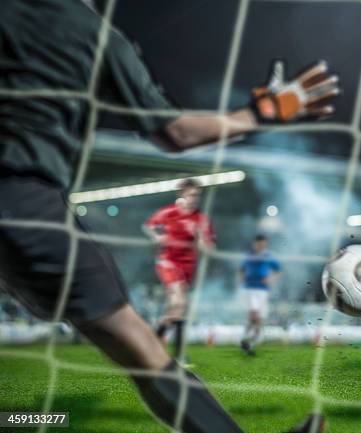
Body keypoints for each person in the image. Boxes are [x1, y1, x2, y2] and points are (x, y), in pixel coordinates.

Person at [0, 1, 338, 432]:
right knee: (139, 347)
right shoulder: (93, 33)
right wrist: (259, 113)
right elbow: (176, 133)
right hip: (23, 202)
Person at [143, 178, 215, 360]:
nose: (195, 198)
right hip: (168, 262)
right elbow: (148, 226)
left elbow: (210, 248)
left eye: (197, 195)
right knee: (180, 303)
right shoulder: (169, 212)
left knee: (176, 310)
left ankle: (154, 339)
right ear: (182, 195)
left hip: (188, 267)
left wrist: (202, 242)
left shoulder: (201, 219)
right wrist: (157, 238)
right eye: (191, 194)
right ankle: (180, 355)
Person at [239, 234, 282, 356]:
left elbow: (279, 271)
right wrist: (242, 279)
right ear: (255, 244)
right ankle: (246, 339)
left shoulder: (269, 256)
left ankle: (249, 342)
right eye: (259, 244)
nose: (261, 247)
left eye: (263, 245)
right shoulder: (248, 256)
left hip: (263, 290)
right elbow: (241, 270)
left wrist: (271, 278)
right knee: (255, 314)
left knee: (260, 319)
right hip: (250, 289)